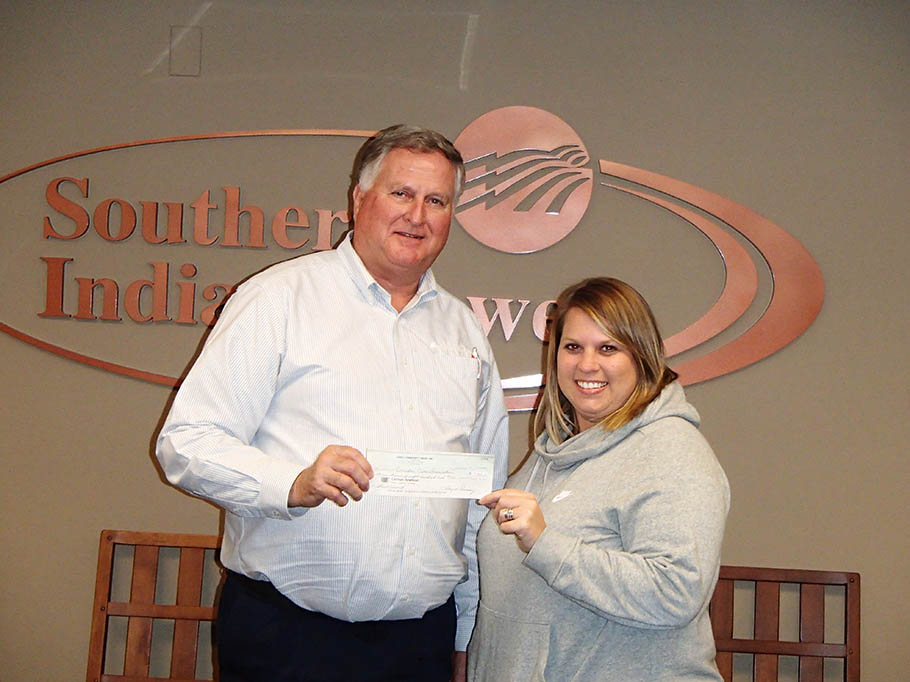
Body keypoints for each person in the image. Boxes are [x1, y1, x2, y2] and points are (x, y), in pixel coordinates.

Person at [156, 124, 509, 682]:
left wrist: (467, 635)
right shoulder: (279, 299)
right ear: (359, 199)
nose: (417, 215)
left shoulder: (464, 333)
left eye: (436, 200)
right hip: (287, 640)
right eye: (401, 193)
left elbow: (477, 501)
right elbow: (186, 443)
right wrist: (292, 483)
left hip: (420, 646)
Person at [467, 277, 729, 681]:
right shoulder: (551, 453)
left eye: (608, 348)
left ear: (640, 356)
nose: (587, 365)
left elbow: (675, 592)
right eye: (573, 347)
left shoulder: (672, 451)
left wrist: (546, 544)